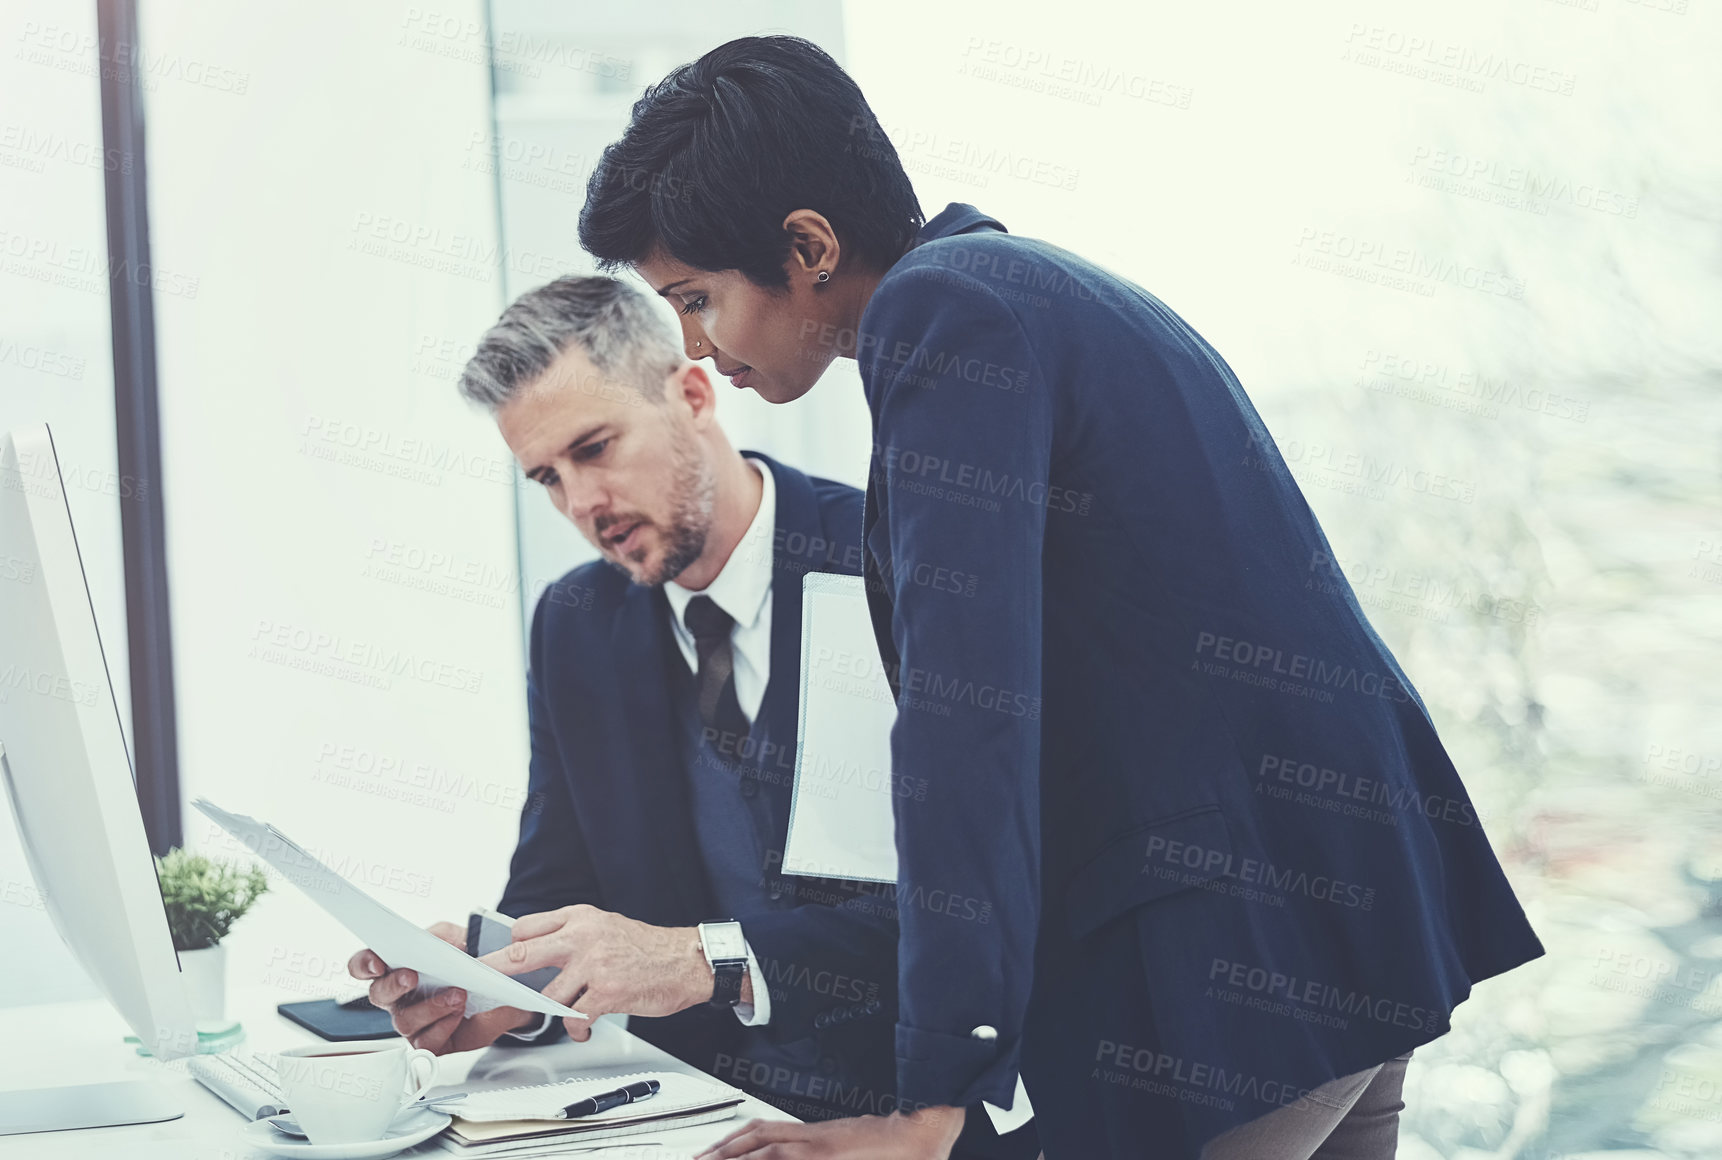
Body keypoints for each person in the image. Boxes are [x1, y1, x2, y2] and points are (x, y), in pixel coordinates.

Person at [574, 36, 1546, 1160]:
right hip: (1343, 924)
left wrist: (928, 1103)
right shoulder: (1034, 287)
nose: (693, 348)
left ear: (807, 246)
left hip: (1239, 962)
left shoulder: (943, 321)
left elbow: (965, 718)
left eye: (696, 300)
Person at [344, 275, 1037, 1156]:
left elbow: (976, 899)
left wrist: (710, 958)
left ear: (696, 394)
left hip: (911, 1117)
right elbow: (556, 886)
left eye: (595, 448)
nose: (581, 505)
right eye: (548, 478)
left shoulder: (887, 563)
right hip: (690, 1117)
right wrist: (495, 993)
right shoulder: (575, 624)